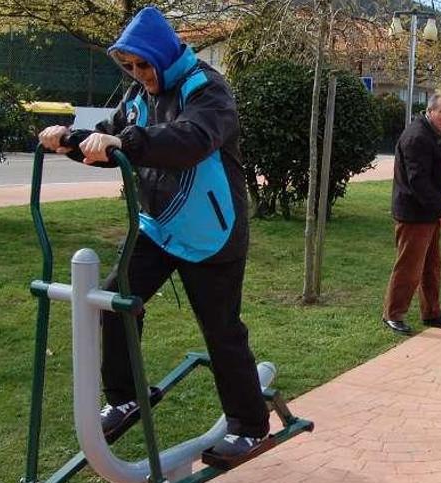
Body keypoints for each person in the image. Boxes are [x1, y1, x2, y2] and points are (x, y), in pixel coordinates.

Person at [38, 6, 269, 459]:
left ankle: (250, 426)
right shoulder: (139, 95)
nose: (139, 73)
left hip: (211, 231)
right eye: (131, 66)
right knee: (115, 303)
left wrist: (126, 142)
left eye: (144, 64)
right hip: (159, 227)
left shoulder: (208, 89)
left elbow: (191, 139)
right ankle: (125, 397)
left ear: (163, 56)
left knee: (221, 331)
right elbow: (111, 137)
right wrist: (69, 138)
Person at [382, 94, 441, 335]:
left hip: (427, 214)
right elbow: (418, 181)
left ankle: (432, 313)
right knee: (409, 267)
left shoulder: (430, 133)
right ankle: (393, 314)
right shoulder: (417, 137)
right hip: (414, 215)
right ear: (429, 111)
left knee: (432, 266)